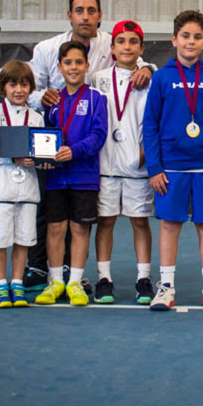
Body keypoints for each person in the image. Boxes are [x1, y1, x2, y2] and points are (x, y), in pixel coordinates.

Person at [23, 0, 152, 292]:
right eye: (79, 11)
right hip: (54, 141)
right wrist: (44, 97)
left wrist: (146, 67)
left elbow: (133, 59)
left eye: (91, 11)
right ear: (69, 15)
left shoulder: (110, 43)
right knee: (50, 214)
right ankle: (41, 267)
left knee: (84, 220)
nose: (85, 16)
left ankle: (78, 272)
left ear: (99, 16)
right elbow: (24, 87)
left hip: (93, 152)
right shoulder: (46, 48)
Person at [143, 10, 203, 311]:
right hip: (172, 167)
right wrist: (155, 168)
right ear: (174, 39)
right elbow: (151, 124)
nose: (191, 42)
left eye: (197, 37)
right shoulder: (162, 78)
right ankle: (166, 288)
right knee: (170, 224)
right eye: (185, 36)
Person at [33, 41, 108, 307]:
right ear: (59, 67)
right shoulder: (53, 101)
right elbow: (44, 137)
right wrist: (42, 159)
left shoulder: (96, 99)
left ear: (87, 66)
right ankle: (55, 282)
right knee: (54, 228)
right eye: (68, 63)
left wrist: (73, 151)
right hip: (55, 177)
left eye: (78, 62)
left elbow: (98, 136)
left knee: (79, 228)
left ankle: (75, 281)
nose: (73, 67)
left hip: (84, 176)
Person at [90, 20, 155, 305]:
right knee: (105, 222)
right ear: (112, 48)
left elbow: (155, 121)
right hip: (104, 165)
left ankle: (144, 278)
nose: (126, 46)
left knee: (140, 222)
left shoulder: (150, 78)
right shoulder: (97, 78)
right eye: (121, 41)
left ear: (141, 48)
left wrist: (146, 151)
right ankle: (104, 278)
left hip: (136, 165)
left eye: (132, 41)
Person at [0, 60, 44, 308]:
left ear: (31, 88)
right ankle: (0, 285)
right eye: (13, 84)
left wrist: (43, 161)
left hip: (27, 191)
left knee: (23, 239)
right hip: (0, 190)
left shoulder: (36, 118)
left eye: (24, 85)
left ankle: (17, 283)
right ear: (3, 87)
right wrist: (12, 156)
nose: (18, 90)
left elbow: (41, 150)